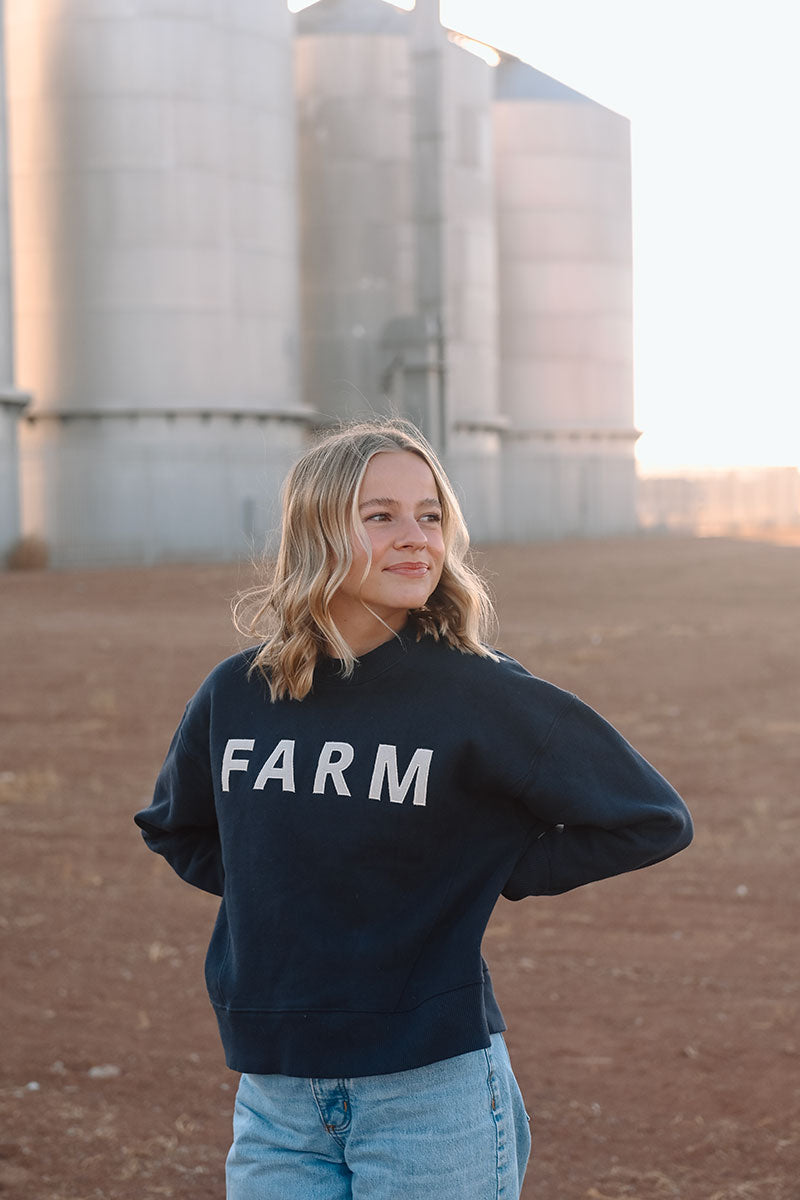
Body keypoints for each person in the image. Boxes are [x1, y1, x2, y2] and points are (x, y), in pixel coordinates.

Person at [134, 418, 693, 1200]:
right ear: (317, 529)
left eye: (430, 515)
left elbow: (650, 816)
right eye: (381, 516)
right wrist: (292, 879)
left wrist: (486, 869)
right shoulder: (239, 692)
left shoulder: (481, 693)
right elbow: (177, 826)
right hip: (276, 1095)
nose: (416, 538)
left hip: (431, 1094)